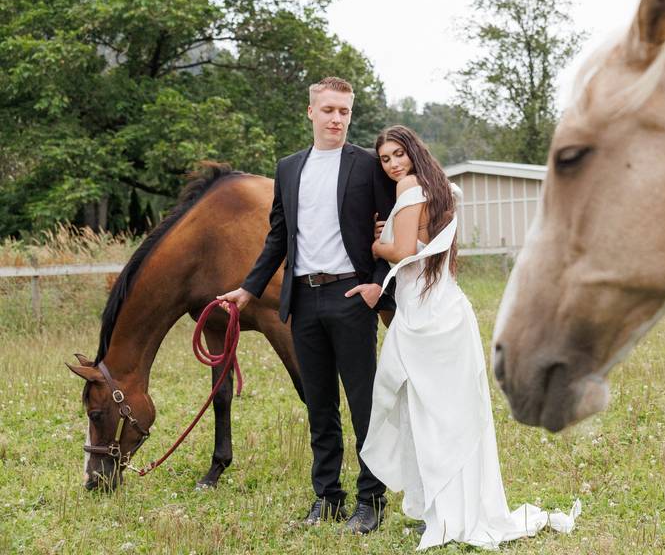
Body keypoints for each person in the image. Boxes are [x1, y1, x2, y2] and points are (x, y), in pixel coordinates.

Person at [360, 125, 580, 550]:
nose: (393, 165)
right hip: (447, 310)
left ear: (412, 153)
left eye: (398, 154)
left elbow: (406, 251)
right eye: (385, 159)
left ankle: (445, 511)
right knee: (452, 413)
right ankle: (454, 505)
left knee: (431, 413)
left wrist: (376, 246)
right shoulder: (438, 188)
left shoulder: (409, 186)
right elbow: (421, 241)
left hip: (427, 316)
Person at [217, 77, 395, 534]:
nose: (337, 119)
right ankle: (328, 498)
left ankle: (371, 500)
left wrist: (377, 286)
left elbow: (388, 231)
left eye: (345, 112)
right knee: (319, 404)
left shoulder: (367, 166)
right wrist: (248, 290)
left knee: (363, 404)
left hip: (351, 295)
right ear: (311, 112)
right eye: (329, 110)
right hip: (302, 299)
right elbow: (278, 236)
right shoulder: (289, 168)